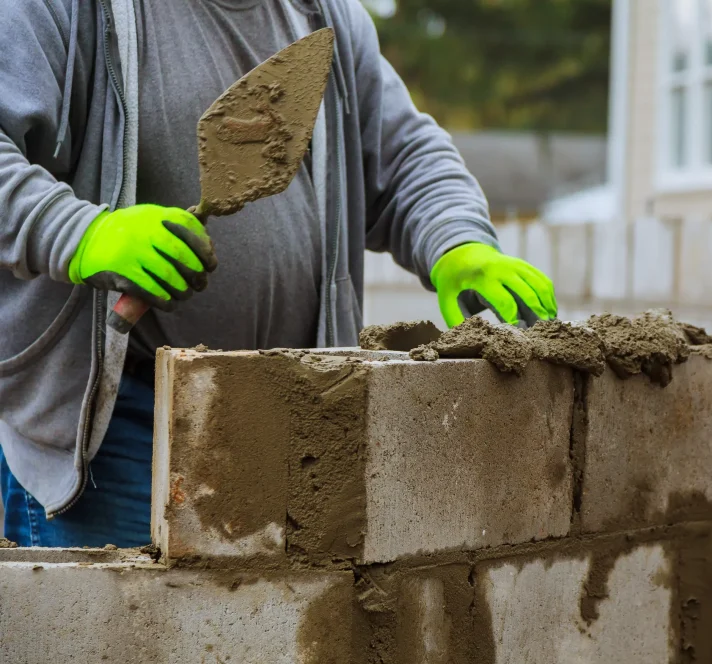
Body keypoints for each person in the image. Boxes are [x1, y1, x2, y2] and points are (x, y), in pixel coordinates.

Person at [0, 0, 558, 548]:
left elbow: (405, 154)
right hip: (118, 428)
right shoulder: (63, 9)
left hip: (294, 421)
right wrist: (79, 234)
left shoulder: (321, 14)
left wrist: (457, 242)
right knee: (133, 637)